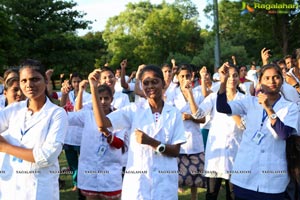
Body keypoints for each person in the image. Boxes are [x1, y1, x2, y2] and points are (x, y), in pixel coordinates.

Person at [89, 65, 186, 200]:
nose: (150, 86)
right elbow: (102, 123)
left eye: (154, 81)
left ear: (163, 83)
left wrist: (151, 142)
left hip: (164, 184)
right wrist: (93, 89)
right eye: (146, 83)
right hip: (139, 182)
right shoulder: (134, 110)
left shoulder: (174, 113)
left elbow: (175, 151)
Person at [216, 63, 299, 200]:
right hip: (245, 174)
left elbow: (284, 133)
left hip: (273, 179)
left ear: (282, 80)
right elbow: (222, 107)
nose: (271, 81)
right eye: (267, 78)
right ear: (260, 81)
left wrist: (268, 108)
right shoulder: (250, 102)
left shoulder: (290, 107)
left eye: (276, 77)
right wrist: (223, 82)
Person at [0, 59, 68, 200]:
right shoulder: (13, 109)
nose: (29, 85)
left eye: (35, 79)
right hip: (10, 188)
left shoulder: (56, 114)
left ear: (46, 80)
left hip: (39, 190)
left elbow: (46, 157)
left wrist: (4, 147)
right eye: (24, 81)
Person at [68, 84, 125, 200]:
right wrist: (64, 95)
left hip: (110, 171)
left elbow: (120, 144)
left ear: (112, 99)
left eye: (106, 98)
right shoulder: (87, 115)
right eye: (99, 99)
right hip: (90, 169)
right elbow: (66, 117)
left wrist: (107, 134)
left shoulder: (119, 116)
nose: (103, 102)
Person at [198, 65, 246, 200]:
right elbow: (198, 114)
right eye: (228, 75)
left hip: (235, 151)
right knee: (211, 193)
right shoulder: (214, 97)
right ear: (222, 78)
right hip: (216, 152)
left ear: (239, 78)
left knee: (233, 194)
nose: (231, 78)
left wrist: (229, 106)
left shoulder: (244, 99)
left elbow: (244, 125)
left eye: (235, 75)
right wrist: (190, 93)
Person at [166, 64, 206, 200]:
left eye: (187, 76)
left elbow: (202, 118)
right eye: (182, 76)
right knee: (174, 176)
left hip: (194, 141)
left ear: (192, 76)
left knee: (195, 177)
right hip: (177, 141)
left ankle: (194, 198)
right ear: (177, 77)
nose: (185, 79)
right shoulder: (171, 94)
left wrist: (190, 98)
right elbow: (167, 114)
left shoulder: (198, 93)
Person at [60, 72, 91, 193]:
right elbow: (62, 108)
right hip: (68, 135)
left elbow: (79, 111)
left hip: (81, 135)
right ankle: (76, 183)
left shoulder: (88, 96)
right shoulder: (68, 95)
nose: (76, 84)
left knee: (84, 162)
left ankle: (85, 183)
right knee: (72, 163)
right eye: (74, 81)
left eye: (78, 81)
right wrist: (64, 94)